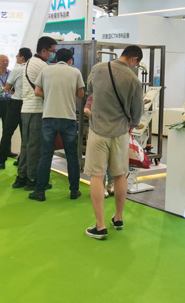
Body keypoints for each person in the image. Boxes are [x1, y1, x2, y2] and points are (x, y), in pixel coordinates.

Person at [84, 45, 143, 240]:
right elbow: (137, 113)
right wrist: (130, 125)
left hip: (98, 130)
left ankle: (100, 226)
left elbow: (90, 90)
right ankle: (118, 218)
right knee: (119, 175)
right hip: (120, 133)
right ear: (134, 60)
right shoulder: (133, 79)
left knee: (97, 176)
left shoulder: (98, 68)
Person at [28, 48, 85, 202]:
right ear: (70, 60)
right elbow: (81, 94)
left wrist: (51, 94)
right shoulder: (75, 72)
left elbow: (37, 92)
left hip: (49, 117)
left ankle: (40, 192)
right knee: (72, 156)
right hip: (68, 118)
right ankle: (74, 190)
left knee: (46, 155)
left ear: (56, 58)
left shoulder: (46, 70)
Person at [14, 36, 57, 190]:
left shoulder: (30, 62)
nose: (53, 54)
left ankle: (21, 176)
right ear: (44, 50)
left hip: (26, 109)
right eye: (52, 51)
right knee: (35, 146)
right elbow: (47, 89)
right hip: (37, 110)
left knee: (26, 145)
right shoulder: (42, 66)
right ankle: (32, 179)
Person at [0, 48, 32, 170]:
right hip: (29, 104)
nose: (16, 58)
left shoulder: (17, 69)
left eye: (17, 56)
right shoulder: (33, 69)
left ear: (22, 57)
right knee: (25, 134)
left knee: (7, 132)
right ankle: (22, 161)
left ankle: (1, 161)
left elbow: (7, 88)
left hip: (15, 104)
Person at [84, 94, 113, 197]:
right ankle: (105, 185)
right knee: (105, 160)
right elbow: (86, 110)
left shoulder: (96, 95)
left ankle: (107, 185)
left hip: (105, 131)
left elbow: (86, 110)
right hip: (103, 131)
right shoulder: (95, 96)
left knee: (106, 160)